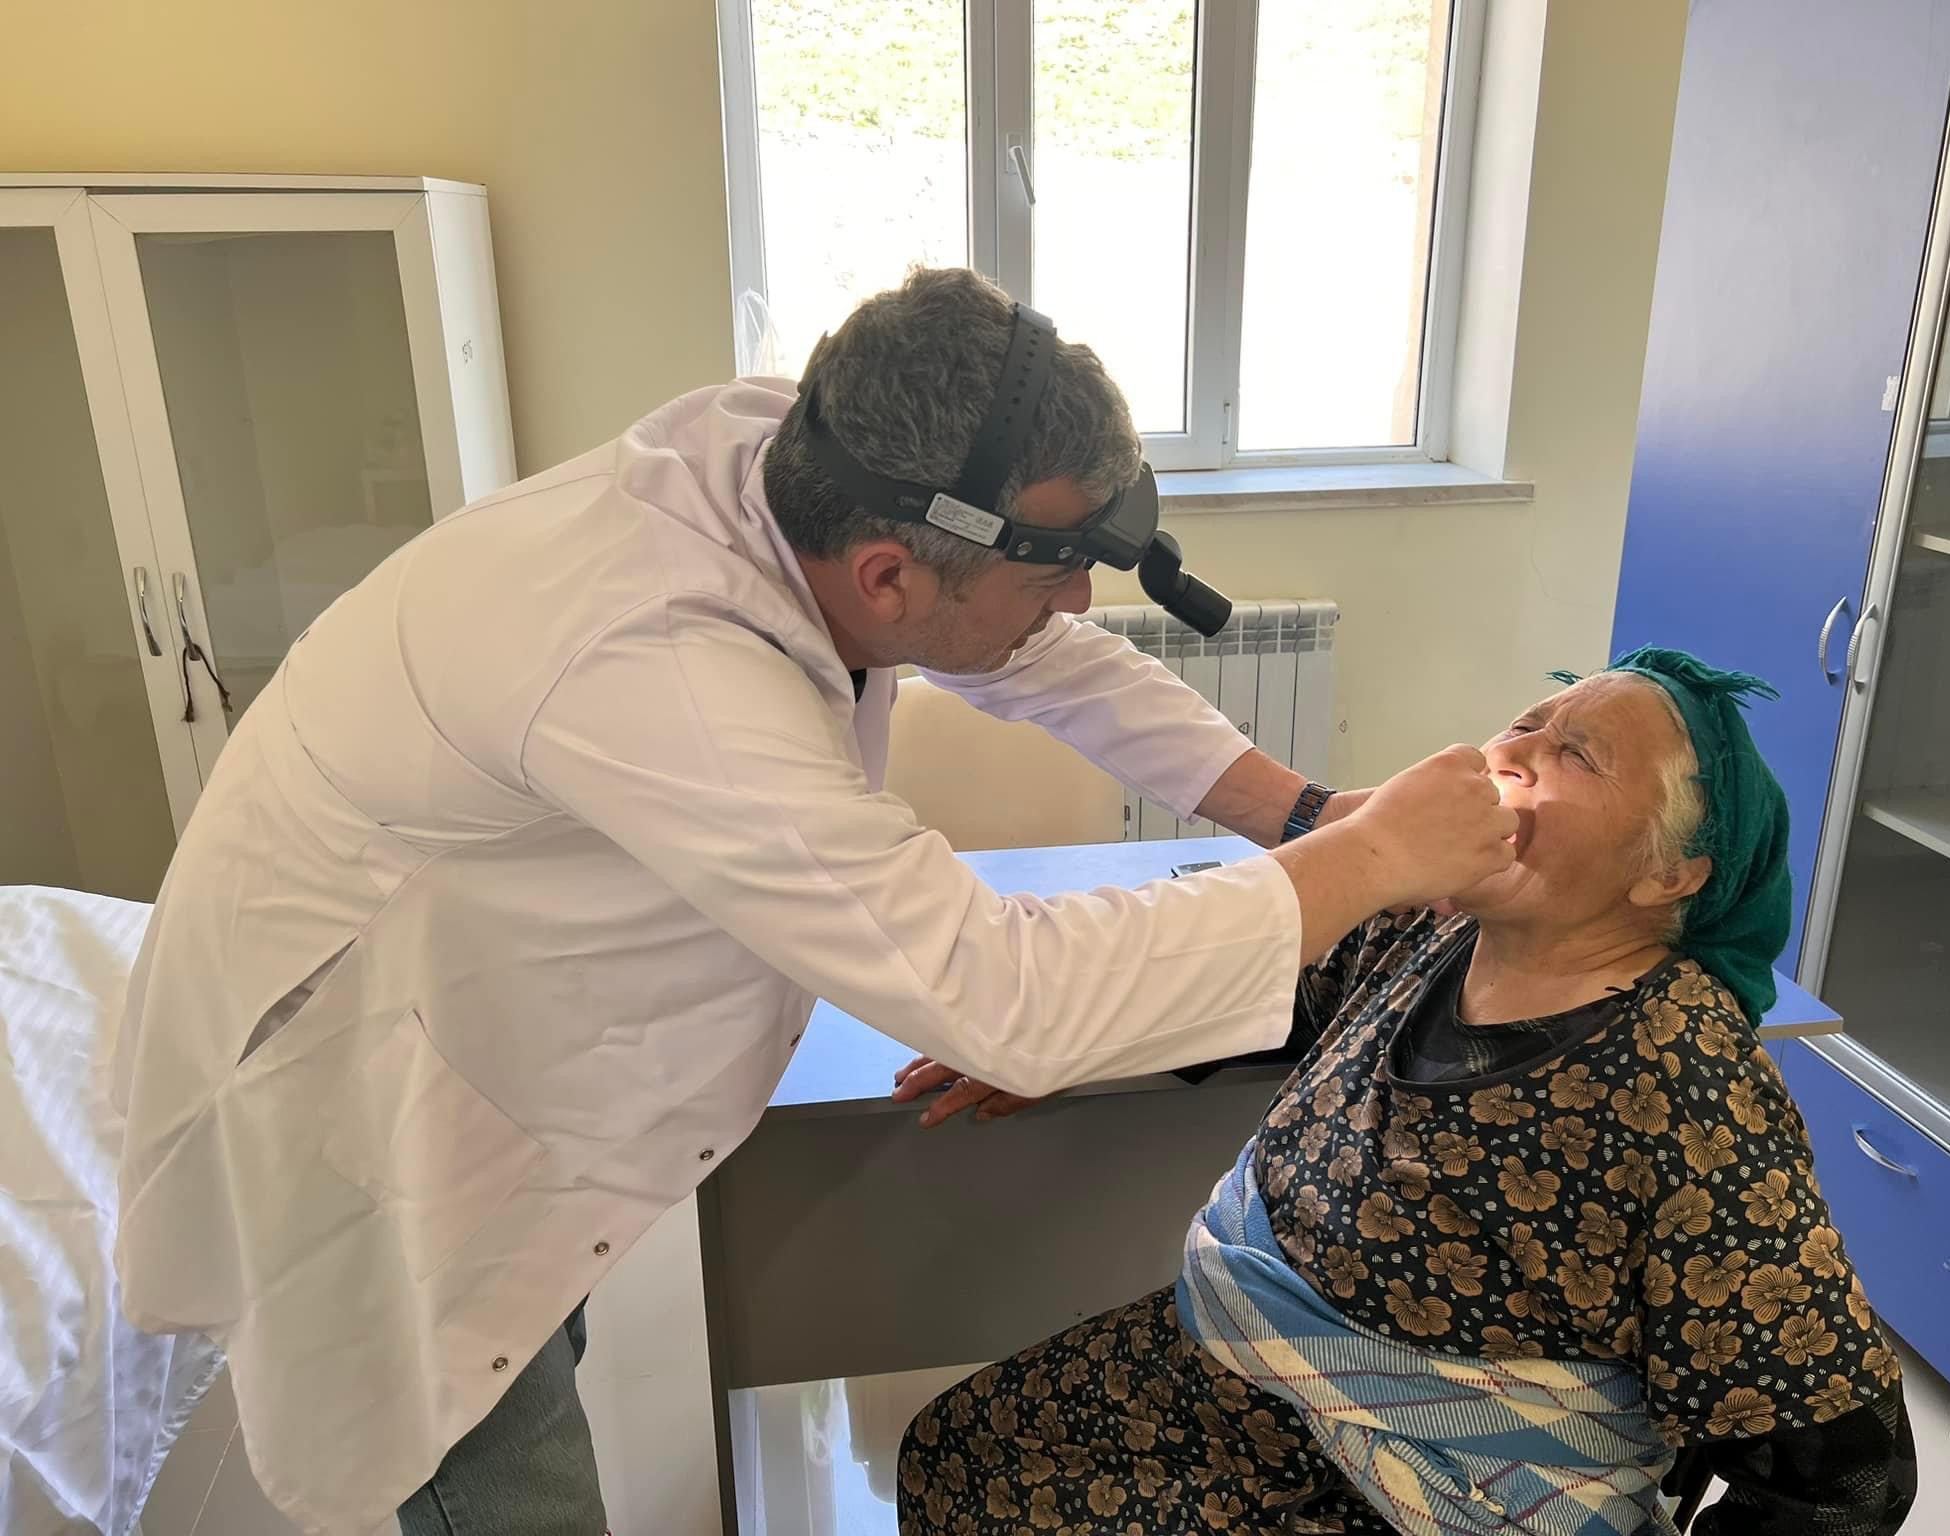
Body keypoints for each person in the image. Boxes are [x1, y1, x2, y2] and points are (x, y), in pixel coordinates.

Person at [109, 267, 1517, 1536]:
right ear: (890, 575)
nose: (1080, 604)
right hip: (363, 1087)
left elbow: (1031, 651)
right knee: (487, 1445)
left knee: (534, 1320)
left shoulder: (811, 463)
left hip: (476, 987)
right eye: (1055, 573)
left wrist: (1307, 817)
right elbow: (1002, 994)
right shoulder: (653, 655)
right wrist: (1373, 862)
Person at [897, 649, 1915, 1536]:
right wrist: (1066, 1036)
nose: (1510, 754)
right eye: (1524, 724)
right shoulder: (1431, 925)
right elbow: (1273, 985)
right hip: (1248, 1380)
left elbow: (1842, 1474)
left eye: (1577, 754)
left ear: (1669, 876)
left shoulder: (1689, 1090)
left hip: (1415, 1490)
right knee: (956, 1449)